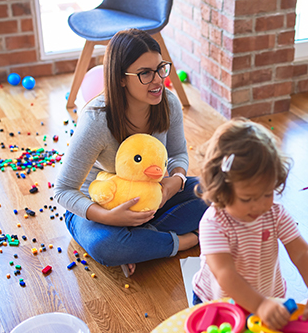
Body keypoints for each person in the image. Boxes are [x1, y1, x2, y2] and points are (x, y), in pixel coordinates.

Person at [55, 29, 207, 277]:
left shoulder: (169, 103)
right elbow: (63, 191)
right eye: (145, 73)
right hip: (100, 207)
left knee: (220, 192)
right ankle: (184, 241)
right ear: (121, 78)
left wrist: (175, 181)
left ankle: (140, 243)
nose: (158, 80)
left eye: (160, 69)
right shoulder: (97, 120)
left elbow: (178, 153)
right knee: (107, 246)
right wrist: (109, 217)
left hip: (154, 197)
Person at [192, 119, 308, 331]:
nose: (259, 205)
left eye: (267, 194)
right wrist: (259, 304)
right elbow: (225, 275)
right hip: (221, 304)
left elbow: (302, 253)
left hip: (268, 299)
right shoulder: (214, 223)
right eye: (247, 198)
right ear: (222, 189)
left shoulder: (274, 213)